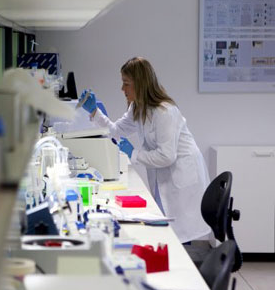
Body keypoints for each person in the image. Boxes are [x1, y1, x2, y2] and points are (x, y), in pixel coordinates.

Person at [79, 57, 210, 243]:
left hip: (181, 174)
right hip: (166, 173)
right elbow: (116, 131)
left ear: (140, 84)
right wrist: (94, 112)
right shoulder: (138, 107)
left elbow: (167, 156)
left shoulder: (164, 111)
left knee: (179, 233)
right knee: (169, 229)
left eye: (126, 84)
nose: (122, 89)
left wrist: (133, 153)